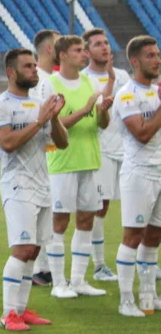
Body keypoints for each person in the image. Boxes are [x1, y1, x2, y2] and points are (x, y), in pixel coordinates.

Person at [0, 48, 67, 331]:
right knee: (21, 249)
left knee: (33, 250)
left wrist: (53, 118)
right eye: (29, 66)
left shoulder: (38, 105)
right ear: (12, 72)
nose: (35, 70)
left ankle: (21, 309)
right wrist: (41, 120)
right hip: (17, 185)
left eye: (35, 65)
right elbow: (7, 142)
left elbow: (62, 144)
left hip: (43, 184)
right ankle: (7, 314)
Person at [46, 34, 116, 299]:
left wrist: (102, 111)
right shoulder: (51, 83)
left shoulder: (87, 80)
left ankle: (78, 280)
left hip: (90, 159)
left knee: (86, 218)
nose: (84, 54)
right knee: (60, 221)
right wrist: (88, 107)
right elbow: (55, 123)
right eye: (78, 50)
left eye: (84, 50)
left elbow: (102, 125)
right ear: (62, 55)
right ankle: (57, 282)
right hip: (63, 162)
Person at [112, 36, 161, 317]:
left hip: (159, 171)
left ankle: (147, 297)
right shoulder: (128, 94)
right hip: (138, 174)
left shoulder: (157, 92)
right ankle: (125, 300)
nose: (157, 60)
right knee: (133, 236)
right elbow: (141, 134)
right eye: (151, 55)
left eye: (158, 54)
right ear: (135, 61)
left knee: (154, 237)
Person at [82, 28, 127, 282]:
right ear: (87, 52)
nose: (105, 47)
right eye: (98, 44)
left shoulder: (122, 75)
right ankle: (99, 266)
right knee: (100, 207)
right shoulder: (84, 79)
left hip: (127, 149)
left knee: (143, 204)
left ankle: (146, 261)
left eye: (107, 43)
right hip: (101, 152)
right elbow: (99, 118)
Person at [28, 29, 62, 286]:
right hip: (36, 153)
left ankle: (45, 266)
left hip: (45, 150)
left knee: (47, 209)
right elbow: (37, 117)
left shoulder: (49, 78)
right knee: (40, 209)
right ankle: (39, 267)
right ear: (50, 48)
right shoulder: (39, 79)